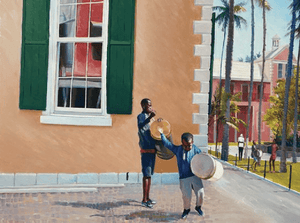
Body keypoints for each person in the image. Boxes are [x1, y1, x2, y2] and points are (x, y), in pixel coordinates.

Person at [158, 129, 204, 219]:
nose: (187, 148)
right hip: (184, 178)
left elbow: (203, 161)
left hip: (195, 176)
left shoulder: (197, 150)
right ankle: (186, 210)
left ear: (193, 142)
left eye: (189, 145)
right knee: (186, 196)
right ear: (182, 143)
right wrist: (161, 134)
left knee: (201, 193)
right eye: (185, 146)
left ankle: (198, 207)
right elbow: (167, 144)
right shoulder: (178, 149)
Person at [137, 98, 159, 208]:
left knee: (149, 175)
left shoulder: (150, 119)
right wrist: (150, 117)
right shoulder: (141, 116)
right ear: (143, 106)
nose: (150, 107)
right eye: (148, 105)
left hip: (152, 150)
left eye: (151, 105)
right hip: (146, 150)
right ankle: (144, 199)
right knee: (146, 175)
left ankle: (148, 197)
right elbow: (141, 125)